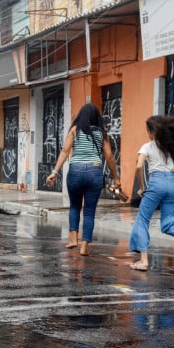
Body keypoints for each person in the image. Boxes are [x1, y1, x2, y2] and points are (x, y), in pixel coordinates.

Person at [127, 115, 174, 271]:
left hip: (156, 183)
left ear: (151, 132)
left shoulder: (147, 147)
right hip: (172, 184)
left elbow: (139, 167)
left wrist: (142, 187)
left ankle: (143, 261)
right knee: (168, 221)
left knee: (142, 220)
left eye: (147, 130)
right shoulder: (172, 147)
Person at [46, 103, 121, 256]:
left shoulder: (74, 131)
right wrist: (116, 177)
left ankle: (73, 239)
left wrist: (55, 171)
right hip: (94, 171)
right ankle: (84, 245)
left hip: (75, 170)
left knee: (74, 206)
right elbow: (109, 157)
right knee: (89, 211)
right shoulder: (101, 133)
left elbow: (65, 151)